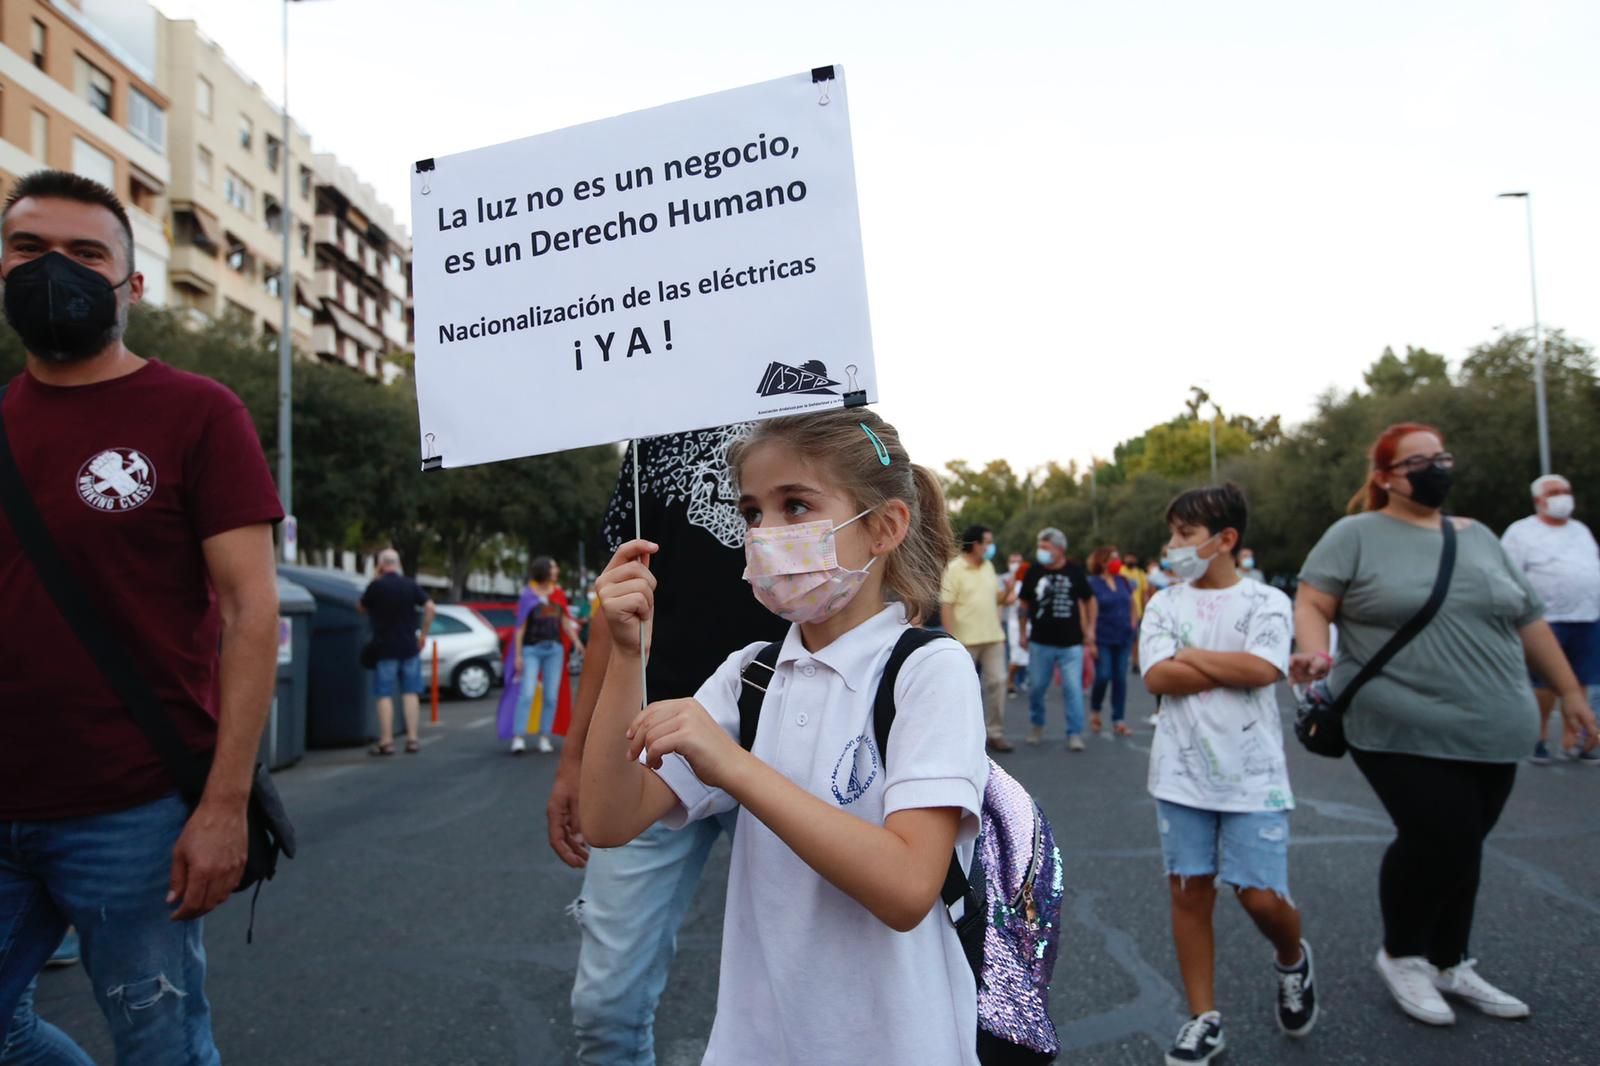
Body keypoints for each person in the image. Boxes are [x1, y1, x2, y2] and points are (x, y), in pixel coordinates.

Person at [581, 410, 986, 1065]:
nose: (766, 533)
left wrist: (733, 768)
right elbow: (607, 818)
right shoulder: (749, 674)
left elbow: (908, 887)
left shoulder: (928, 670)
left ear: (883, 527)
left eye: (795, 506)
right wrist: (629, 657)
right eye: (751, 512)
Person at [0, 170, 282, 1064]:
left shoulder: (196, 412)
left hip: (130, 809)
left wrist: (224, 805)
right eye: (27, 249)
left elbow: (250, 609)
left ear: (132, 283)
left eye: (85, 254)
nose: (55, 272)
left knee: (161, 1046)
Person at [1291, 423, 1598, 1028]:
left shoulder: (1479, 536)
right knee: (1441, 833)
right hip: (1395, 718)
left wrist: (1570, 694)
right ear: (1384, 477)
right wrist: (1313, 651)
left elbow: (1530, 620)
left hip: (1494, 722)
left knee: (1464, 844)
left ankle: (1450, 960)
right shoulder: (1355, 534)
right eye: (1418, 461)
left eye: (1442, 457)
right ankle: (1403, 955)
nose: (1436, 468)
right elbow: (1313, 600)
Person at [547, 424, 787, 1064]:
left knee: (811, 999)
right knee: (606, 1007)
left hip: (795, 740)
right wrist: (575, 762)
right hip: (657, 744)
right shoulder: (656, 434)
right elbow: (615, 608)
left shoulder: (811, 401)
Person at [1141, 484, 1315, 1064]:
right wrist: (1221, 667)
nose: (1173, 547)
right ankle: (1203, 1017)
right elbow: (1157, 678)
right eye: (1173, 534)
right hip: (1179, 775)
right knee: (1189, 891)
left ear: (1226, 540)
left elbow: (1263, 669)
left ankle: (1292, 958)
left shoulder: (1266, 601)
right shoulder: (1165, 604)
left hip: (1253, 776)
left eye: (1185, 535)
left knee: (1261, 898)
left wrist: (1188, 656)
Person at [1501, 473, 1600, 764]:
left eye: (1565, 490)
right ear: (1538, 501)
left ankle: (1577, 740)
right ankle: (1538, 738)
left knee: (1581, 680)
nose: (1562, 496)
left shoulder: (1579, 530)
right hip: (1545, 621)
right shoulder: (1521, 532)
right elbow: (1507, 575)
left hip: (1587, 616)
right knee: (1543, 682)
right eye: (1554, 491)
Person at [1018, 527, 1097, 750]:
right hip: (1040, 643)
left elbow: (1090, 600)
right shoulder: (1033, 572)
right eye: (1040, 547)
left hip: (1071, 644)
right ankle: (1037, 723)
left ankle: (1074, 733)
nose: (1041, 551)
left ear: (1060, 549)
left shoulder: (1074, 572)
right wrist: (1023, 633)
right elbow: (1024, 605)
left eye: (1045, 547)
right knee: (1036, 688)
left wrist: (1090, 630)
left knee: (1073, 689)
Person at [941, 524, 1014, 751]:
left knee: (998, 683)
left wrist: (1009, 591)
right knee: (963, 689)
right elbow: (946, 605)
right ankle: (962, 738)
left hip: (993, 637)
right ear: (975, 545)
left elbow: (997, 600)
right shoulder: (954, 569)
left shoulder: (989, 567)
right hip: (965, 640)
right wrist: (950, 639)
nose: (991, 547)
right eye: (988, 543)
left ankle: (995, 733)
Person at [502, 556, 582, 754]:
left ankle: (544, 736)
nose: (556, 570)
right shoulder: (528, 595)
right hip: (532, 650)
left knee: (551, 696)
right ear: (545, 570)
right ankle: (518, 737)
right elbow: (520, 627)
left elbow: (564, 621)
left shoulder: (558, 594)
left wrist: (577, 642)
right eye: (553, 567)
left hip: (554, 650)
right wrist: (518, 655)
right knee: (527, 693)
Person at [360, 548, 435, 755]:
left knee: (384, 693)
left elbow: (362, 608)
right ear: (398, 563)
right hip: (409, 647)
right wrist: (423, 635)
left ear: (381, 564)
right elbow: (430, 607)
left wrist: (375, 577)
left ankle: (386, 741)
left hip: (385, 647)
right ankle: (412, 738)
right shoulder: (410, 585)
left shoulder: (377, 586)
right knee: (410, 692)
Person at [1087, 546, 1138, 737]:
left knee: (1120, 679)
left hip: (1123, 635)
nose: (1118, 562)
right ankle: (1096, 709)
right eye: (1114, 558)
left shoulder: (1123, 581)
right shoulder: (1092, 583)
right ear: (1102, 561)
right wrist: (1089, 637)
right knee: (1103, 675)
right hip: (1102, 637)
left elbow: (1132, 603)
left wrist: (1133, 623)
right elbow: (1087, 609)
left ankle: (1119, 720)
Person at [1003, 552, 1030, 694]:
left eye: (1018, 562)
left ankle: (1024, 680)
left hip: (1029, 623)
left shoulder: (1028, 581)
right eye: (1013, 562)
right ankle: (1011, 681)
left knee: (1030, 656)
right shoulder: (1008, 581)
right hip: (1014, 624)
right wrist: (1011, 586)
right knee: (1016, 657)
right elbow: (1008, 601)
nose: (1016, 565)